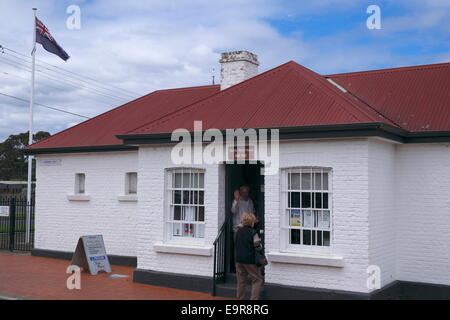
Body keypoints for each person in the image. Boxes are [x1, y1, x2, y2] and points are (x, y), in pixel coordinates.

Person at [235, 213, 264, 300]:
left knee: (241, 281)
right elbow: (258, 247)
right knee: (257, 280)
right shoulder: (253, 232)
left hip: (239, 259)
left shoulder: (238, 231)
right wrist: (260, 243)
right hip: (250, 260)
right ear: (252, 221)